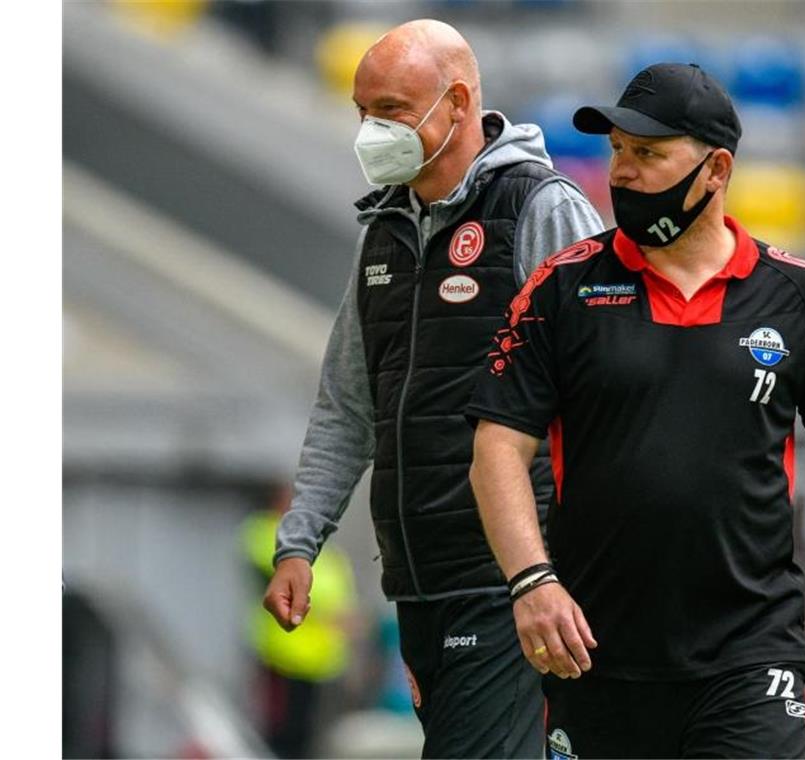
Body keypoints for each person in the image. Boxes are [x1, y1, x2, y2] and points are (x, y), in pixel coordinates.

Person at [466, 63, 805, 758]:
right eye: (618, 151)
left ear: (716, 170)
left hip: (750, 658)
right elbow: (497, 450)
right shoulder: (560, 289)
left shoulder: (800, 297)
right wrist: (532, 582)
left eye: (648, 155)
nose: (621, 172)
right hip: (594, 655)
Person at [260, 19, 604, 759]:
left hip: (510, 581)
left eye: (388, 109)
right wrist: (299, 545)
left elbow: (606, 399)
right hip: (417, 583)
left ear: (455, 104)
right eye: (361, 111)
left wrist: (557, 570)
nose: (369, 130)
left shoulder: (541, 210)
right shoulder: (381, 233)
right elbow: (348, 406)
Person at [242, 487, 359, 759]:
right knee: (281, 734)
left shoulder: (319, 545)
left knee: (309, 737)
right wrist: (331, 613)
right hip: (284, 654)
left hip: (321, 659)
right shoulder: (265, 534)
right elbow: (284, 580)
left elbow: (339, 590)